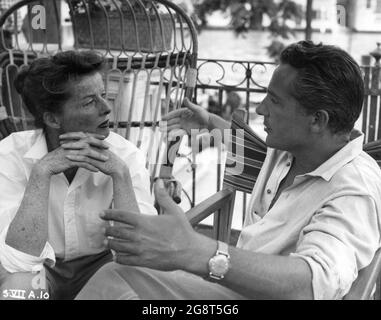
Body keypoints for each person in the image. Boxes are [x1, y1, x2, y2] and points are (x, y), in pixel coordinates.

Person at [76, 41, 381, 300]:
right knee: (118, 276)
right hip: (233, 285)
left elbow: (311, 283)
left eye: (274, 101)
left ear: (317, 120)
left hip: (249, 292)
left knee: (115, 280)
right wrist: (209, 122)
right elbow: (256, 151)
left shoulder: (355, 191)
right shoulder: (297, 149)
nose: (260, 109)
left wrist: (199, 251)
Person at [0, 50, 157, 300]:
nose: (106, 108)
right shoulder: (10, 155)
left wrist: (120, 176)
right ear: (52, 119)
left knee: (137, 294)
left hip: (103, 270)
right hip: (41, 270)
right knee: (18, 291)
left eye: (103, 96)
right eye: (89, 102)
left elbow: (140, 253)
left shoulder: (125, 157)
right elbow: (20, 259)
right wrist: (41, 172)